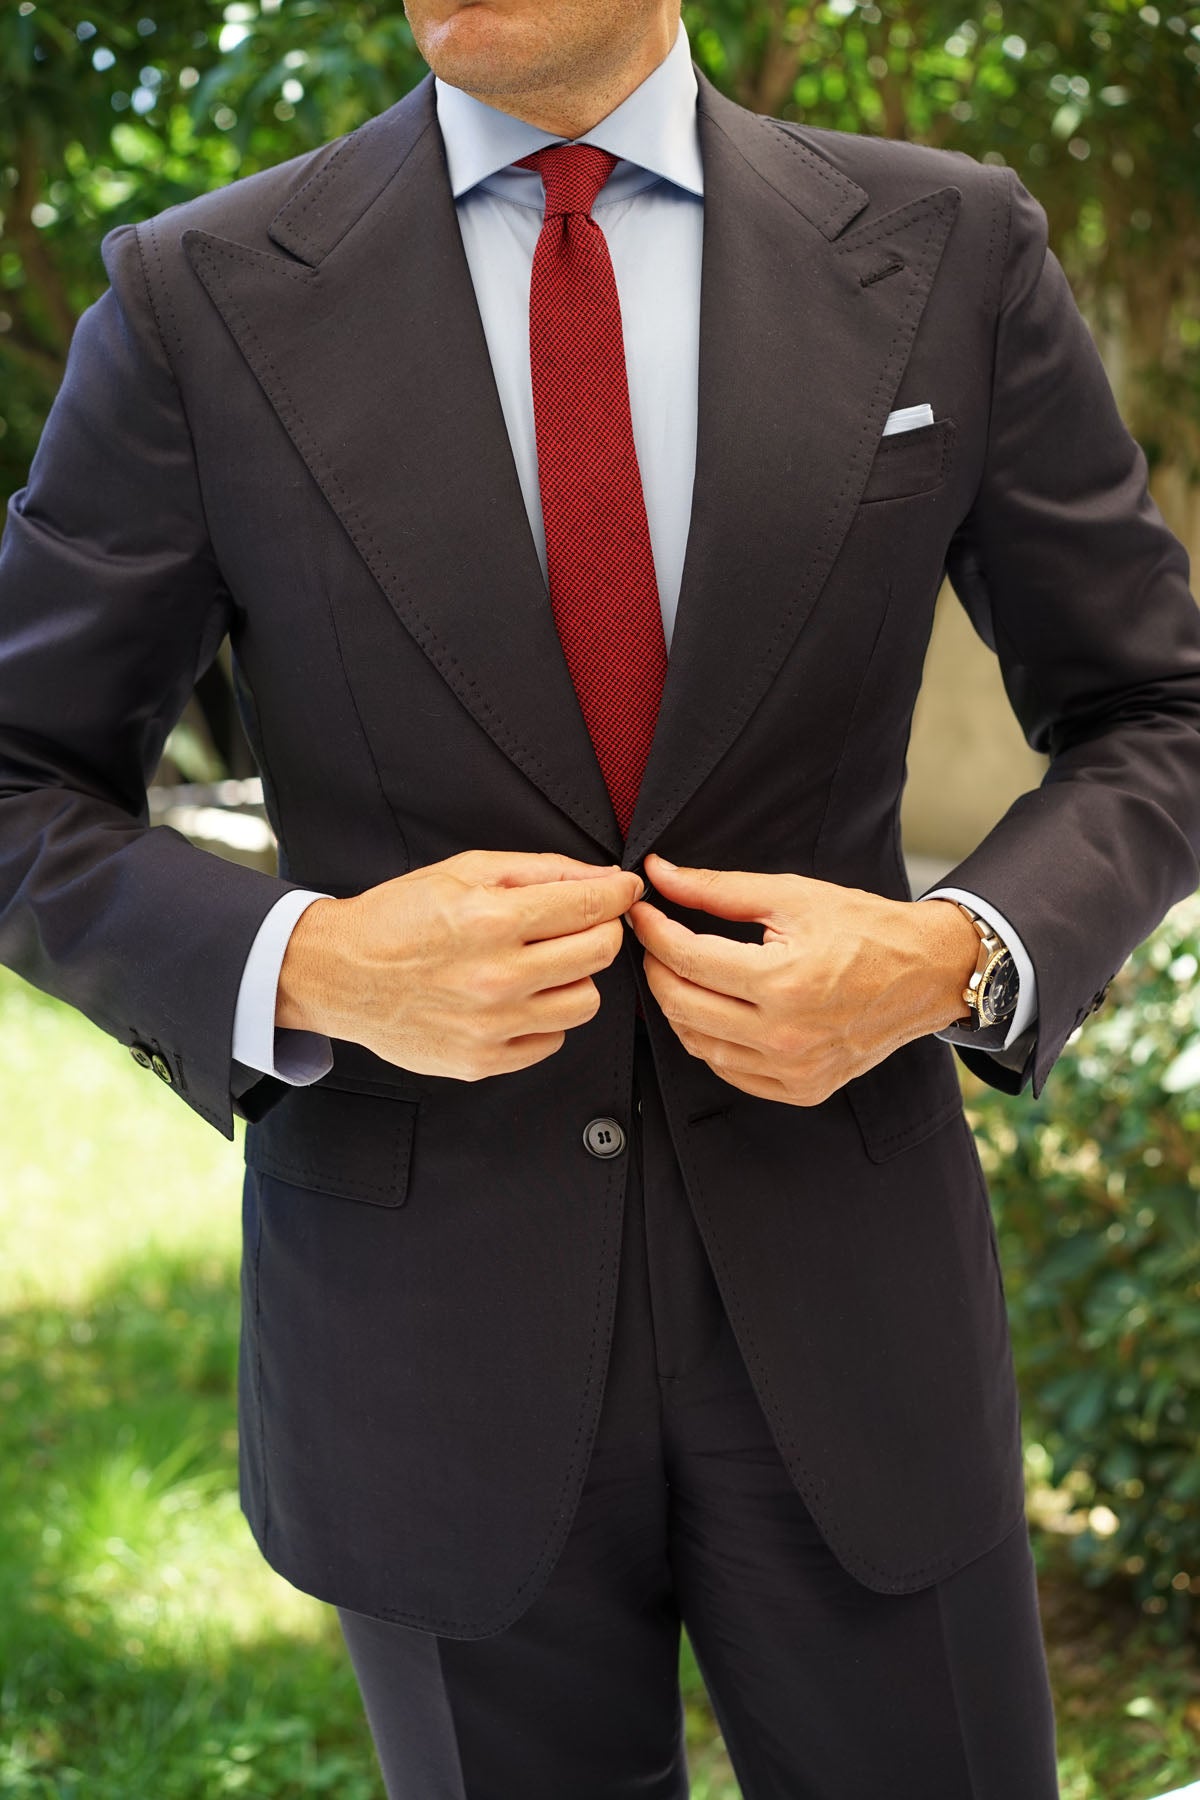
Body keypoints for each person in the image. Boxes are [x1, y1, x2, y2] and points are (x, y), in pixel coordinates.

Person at [2, 0, 1199, 1793]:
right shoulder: (201, 298)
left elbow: (1155, 708)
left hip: (856, 1321)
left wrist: (958, 954)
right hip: (424, 1352)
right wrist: (302, 963)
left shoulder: (951, 244)